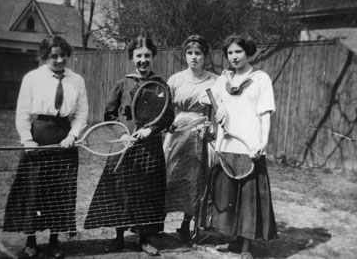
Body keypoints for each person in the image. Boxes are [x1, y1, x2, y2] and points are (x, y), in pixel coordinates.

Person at [84, 36, 174, 256]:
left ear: (152, 57)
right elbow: (110, 114)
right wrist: (121, 134)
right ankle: (119, 237)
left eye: (147, 56)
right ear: (132, 58)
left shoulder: (161, 85)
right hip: (124, 146)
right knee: (120, 190)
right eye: (138, 56)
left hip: (149, 148)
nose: (143, 60)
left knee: (147, 192)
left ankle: (144, 238)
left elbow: (168, 116)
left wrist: (151, 130)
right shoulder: (122, 83)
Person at [3, 35, 88, 259]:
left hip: (64, 140)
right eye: (54, 56)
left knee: (60, 191)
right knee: (34, 190)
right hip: (38, 136)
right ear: (44, 57)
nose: (59, 60)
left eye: (63, 55)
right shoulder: (32, 78)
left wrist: (72, 135)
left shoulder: (77, 80)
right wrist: (26, 139)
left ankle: (54, 241)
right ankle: (30, 241)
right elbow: (22, 112)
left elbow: (81, 114)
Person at [201, 34, 278, 259]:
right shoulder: (223, 79)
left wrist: (263, 142)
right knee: (229, 197)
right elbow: (209, 100)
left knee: (248, 201)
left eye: (238, 51)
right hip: (227, 147)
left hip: (249, 147)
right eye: (230, 53)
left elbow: (265, 114)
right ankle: (233, 241)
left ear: (247, 52)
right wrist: (220, 107)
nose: (234, 57)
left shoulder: (261, 78)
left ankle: (246, 247)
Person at [163, 34, 217, 242]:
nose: (194, 57)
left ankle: (188, 223)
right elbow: (166, 108)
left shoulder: (214, 80)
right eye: (190, 53)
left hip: (200, 131)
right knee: (171, 172)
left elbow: (220, 110)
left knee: (195, 178)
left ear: (205, 56)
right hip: (177, 130)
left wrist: (210, 128)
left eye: (198, 53)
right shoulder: (175, 79)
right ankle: (159, 219)